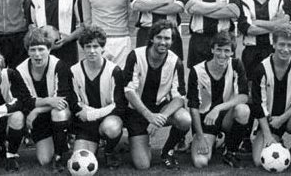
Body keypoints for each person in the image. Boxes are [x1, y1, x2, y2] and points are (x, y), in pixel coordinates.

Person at [237, 0, 291, 154]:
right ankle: (244, 137)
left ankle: (268, 132)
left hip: (272, 51)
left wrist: (258, 22)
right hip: (251, 53)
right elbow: (246, 28)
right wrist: (272, 24)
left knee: (272, 95)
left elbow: (284, 24)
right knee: (252, 96)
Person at [123, 20, 191, 170]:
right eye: (159, 37)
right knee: (142, 165)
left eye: (167, 38)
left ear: (172, 41)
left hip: (159, 109)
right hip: (136, 111)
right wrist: (148, 116)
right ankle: (131, 141)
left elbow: (179, 97)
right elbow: (128, 90)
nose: (163, 42)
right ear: (152, 38)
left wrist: (159, 118)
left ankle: (167, 151)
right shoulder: (135, 55)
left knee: (184, 119)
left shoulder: (175, 62)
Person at [57, 26, 125, 169]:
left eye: (96, 46)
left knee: (111, 128)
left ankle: (109, 151)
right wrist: (87, 115)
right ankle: (93, 142)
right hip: (85, 123)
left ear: (102, 48)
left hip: (106, 118)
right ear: (83, 48)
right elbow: (75, 103)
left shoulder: (114, 71)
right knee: (79, 160)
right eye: (88, 46)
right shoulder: (74, 71)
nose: (92, 51)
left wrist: (91, 114)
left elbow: (118, 105)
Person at [249, 24, 291, 166]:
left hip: (290, 117)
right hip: (269, 120)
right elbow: (258, 105)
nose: (285, 49)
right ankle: (271, 137)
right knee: (258, 161)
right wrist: (267, 134)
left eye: (290, 45)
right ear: (274, 44)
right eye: (281, 44)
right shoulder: (261, 68)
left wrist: (282, 119)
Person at [187, 31, 249, 168]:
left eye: (227, 50)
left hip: (226, 117)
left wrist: (218, 108)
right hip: (206, 121)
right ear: (212, 49)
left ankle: (230, 151)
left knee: (243, 110)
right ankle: (214, 139)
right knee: (200, 162)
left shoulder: (237, 65)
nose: (222, 55)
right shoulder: (197, 71)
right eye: (218, 49)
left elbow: (244, 96)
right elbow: (193, 107)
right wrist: (200, 136)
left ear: (232, 52)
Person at [16, 27, 71, 173]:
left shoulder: (60, 66)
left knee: (58, 112)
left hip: (57, 112)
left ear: (49, 49)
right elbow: (25, 101)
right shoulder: (20, 70)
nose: (37, 54)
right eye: (33, 50)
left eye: (41, 49)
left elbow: (62, 99)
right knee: (44, 159)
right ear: (27, 51)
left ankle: (60, 155)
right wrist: (48, 101)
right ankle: (59, 142)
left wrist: (38, 109)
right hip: (40, 118)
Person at [31, 0, 84, 67]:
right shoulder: (35, 0)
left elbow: (82, 26)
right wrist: (41, 39)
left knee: (67, 81)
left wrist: (67, 39)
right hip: (44, 51)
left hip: (68, 50)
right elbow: (31, 26)